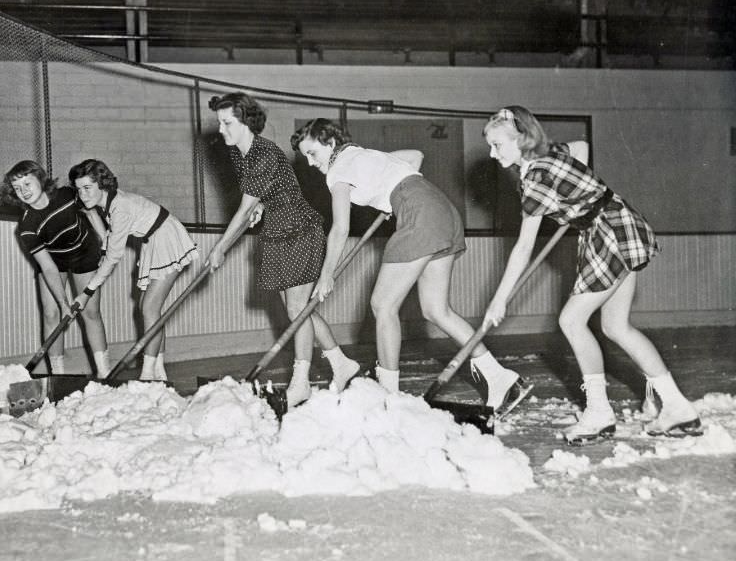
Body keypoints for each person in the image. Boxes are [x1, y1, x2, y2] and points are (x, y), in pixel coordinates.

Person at [482, 105, 702, 443]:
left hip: (608, 232)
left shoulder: (536, 178)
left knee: (572, 321)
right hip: (616, 221)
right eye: (490, 145)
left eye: (498, 144)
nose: (492, 153)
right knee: (615, 326)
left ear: (523, 139)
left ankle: (599, 413)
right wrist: (583, 198)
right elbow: (581, 146)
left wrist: (499, 300)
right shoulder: (550, 153)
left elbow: (524, 248)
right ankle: (677, 406)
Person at [291, 118, 528, 412]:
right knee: (435, 310)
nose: (311, 163)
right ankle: (498, 375)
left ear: (329, 144)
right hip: (441, 209)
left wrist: (326, 275)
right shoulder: (364, 154)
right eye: (305, 158)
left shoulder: (338, 170)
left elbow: (340, 228)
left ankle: (388, 396)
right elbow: (416, 156)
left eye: (312, 153)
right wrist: (389, 196)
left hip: (418, 214)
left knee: (382, 305)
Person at [207, 93, 360, 407]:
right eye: (220, 123)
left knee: (296, 311)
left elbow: (243, 208)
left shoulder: (261, 152)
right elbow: (263, 193)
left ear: (246, 122)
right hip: (276, 231)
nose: (221, 130)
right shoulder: (240, 153)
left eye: (227, 123)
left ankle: (300, 382)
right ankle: (341, 363)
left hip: (298, 229)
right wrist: (262, 205)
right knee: (299, 310)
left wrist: (220, 247)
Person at [69, 158, 199, 381]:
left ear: (102, 184)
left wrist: (86, 291)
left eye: (88, 188)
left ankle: (147, 375)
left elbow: (113, 257)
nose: (83, 194)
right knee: (147, 307)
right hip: (153, 240)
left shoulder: (120, 209)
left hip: (166, 238)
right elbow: (108, 240)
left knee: (149, 308)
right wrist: (92, 216)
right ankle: (159, 372)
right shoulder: (110, 204)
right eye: (79, 189)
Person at [3, 160, 110, 377]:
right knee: (52, 314)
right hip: (54, 261)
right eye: (17, 188)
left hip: (83, 251)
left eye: (27, 184)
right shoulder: (26, 227)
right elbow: (48, 267)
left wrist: (106, 242)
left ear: (41, 180)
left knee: (90, 311)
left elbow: (91, 213)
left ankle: (104, 373)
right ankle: (58, 376)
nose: (23, 191)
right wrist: (63, 303)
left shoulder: (67, 195)